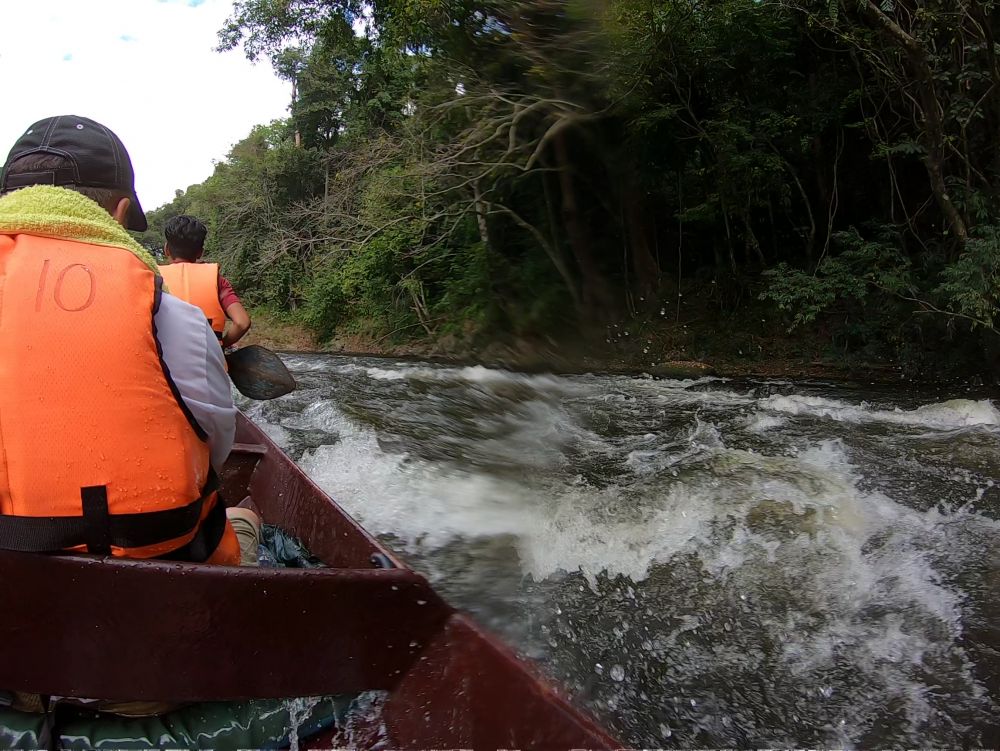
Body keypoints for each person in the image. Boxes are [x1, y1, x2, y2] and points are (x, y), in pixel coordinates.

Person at [0, 115, 258, 567]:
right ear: (119, 214)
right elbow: (215, 453)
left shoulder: (163, 289)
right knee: (245, 517)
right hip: (147, 565)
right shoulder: (173, 313)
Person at [159, 215, 251, 349]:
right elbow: (242, 323)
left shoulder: (153, 279)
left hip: (163, 358)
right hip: (208, 358)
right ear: (200, 253)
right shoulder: (217, 280)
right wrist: (221, 346)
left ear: (166, 249)